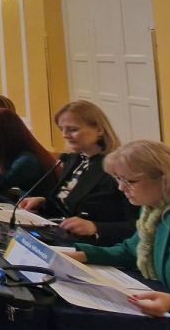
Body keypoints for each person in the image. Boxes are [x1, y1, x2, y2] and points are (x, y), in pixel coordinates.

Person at [65, 140, 170, 325]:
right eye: (119, 179)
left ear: (165, 180)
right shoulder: (153, 211)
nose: (121, 188)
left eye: (130, 181)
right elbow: (132, 251)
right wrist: (82, 255)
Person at [19, 101, 138, 245]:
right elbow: (69, 206)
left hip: (98, 245)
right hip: (63, 236)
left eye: (72, 129)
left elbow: (137, 226)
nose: (64, 135)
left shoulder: (118, 167)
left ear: (99, 130)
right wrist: (43, 202)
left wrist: (96, 227)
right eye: (62, 129)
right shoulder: (74, 159)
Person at [0, 108, 59, 198]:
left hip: (36, 205)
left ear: (4, 132)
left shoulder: (26, 160)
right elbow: (0, 179)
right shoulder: (9, 151)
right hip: (20, 200)